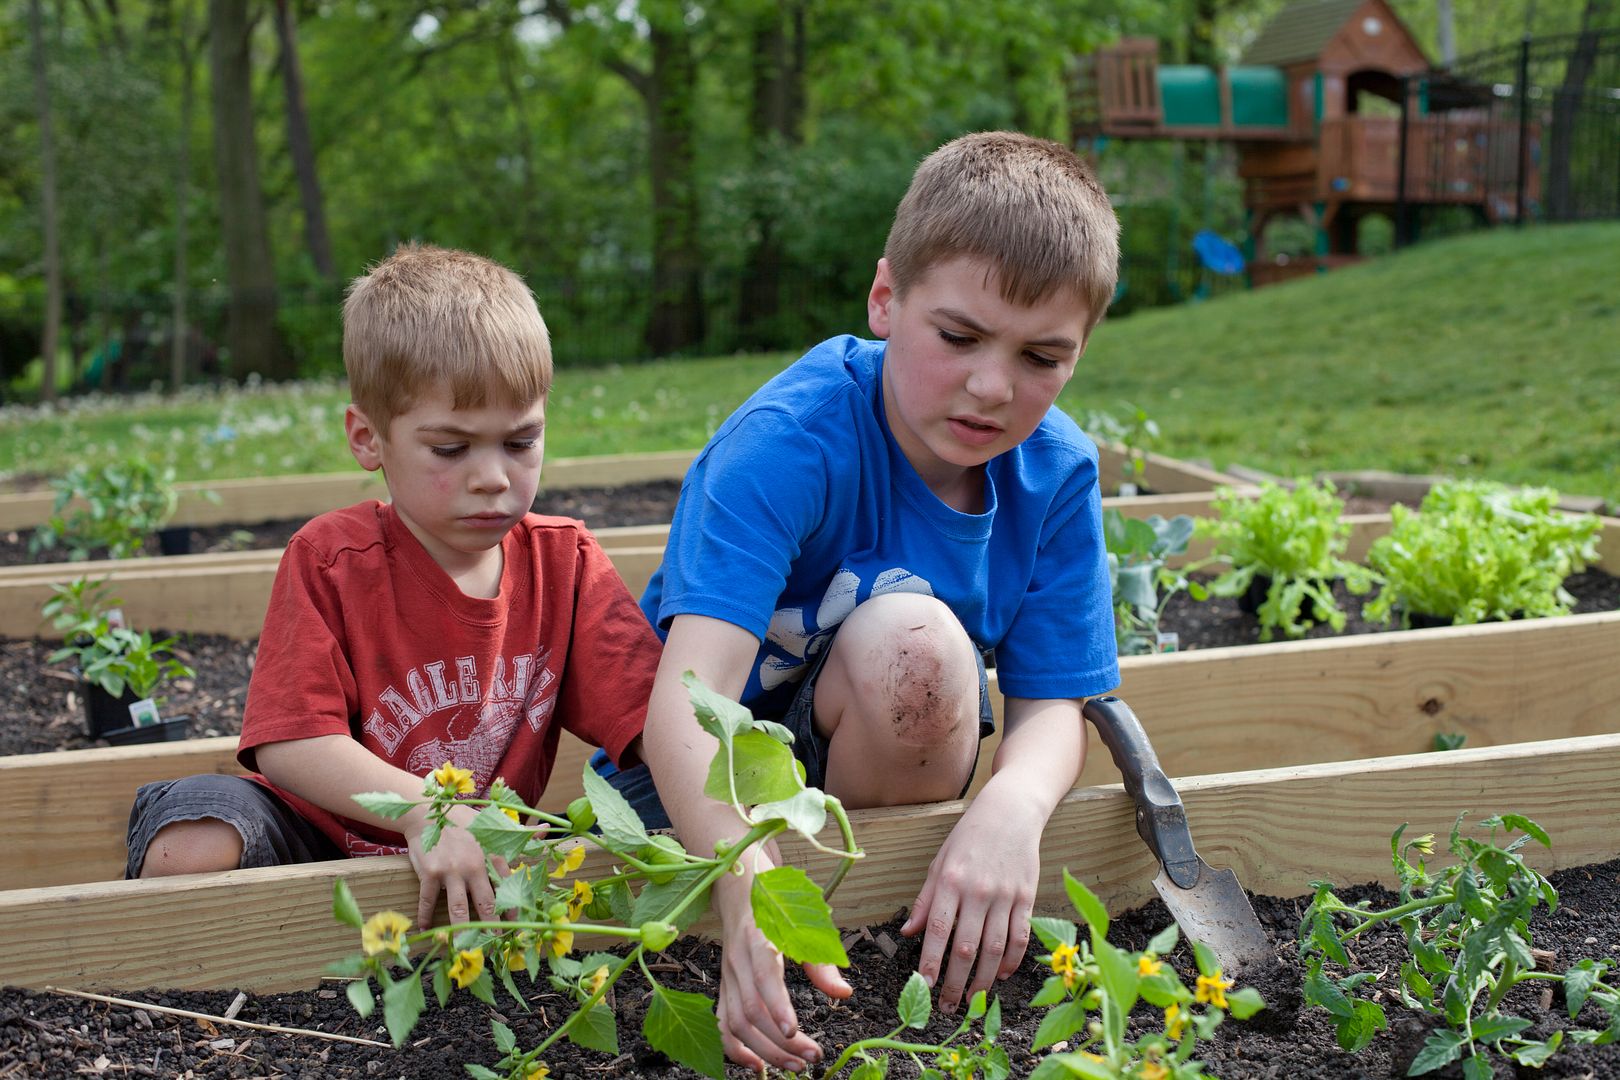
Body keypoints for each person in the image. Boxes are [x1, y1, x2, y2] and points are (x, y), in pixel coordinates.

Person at [613, 130, 1123, 1073]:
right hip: (695, 790)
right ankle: (795, 933)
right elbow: (689, 707)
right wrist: (743, 887)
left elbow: (1057, 703)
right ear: (887, 298)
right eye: (959, 337)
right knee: (916, 644)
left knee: (920, 653)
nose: (991, 386)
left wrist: (1012, 809)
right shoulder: (788, 441)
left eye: (1042, 358)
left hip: (872, 780)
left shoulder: (1056, 474)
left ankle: (872, 927)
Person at [125, 243, 662, 935]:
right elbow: (291, 744)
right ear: (367, 438)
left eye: (521, 442)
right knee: (190, 842)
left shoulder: (565, 561)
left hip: (490, 844)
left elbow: (652, 724)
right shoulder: (332, 559)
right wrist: (425, 815)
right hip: (321, 837)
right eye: (451, 448)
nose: (493, 476)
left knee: (666, 811)